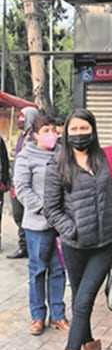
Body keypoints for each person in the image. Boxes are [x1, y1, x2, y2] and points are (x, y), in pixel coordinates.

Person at [43, 109, 112, 350]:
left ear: (93, 131)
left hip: (104, 244)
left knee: (83, 302)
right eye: (75, 128)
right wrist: (71, 229)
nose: (80, 133)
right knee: (81, 303)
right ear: (66, 132)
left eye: (85, 128)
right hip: (74, 245)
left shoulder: (107, 158)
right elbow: (51, 209)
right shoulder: (57, 164)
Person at [15, 114, 67, 336]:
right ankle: (37, 316)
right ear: (35, 134)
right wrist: (45, 209)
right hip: (38, 225)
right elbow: (22, 188)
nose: (51, 135)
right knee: (37, 270)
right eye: (45, 131)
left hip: (60, 224)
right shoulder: (26, 156)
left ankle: (58, 314)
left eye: (53, 130)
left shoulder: (62, 154)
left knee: (58, 269)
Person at [9, 106, 40, 259]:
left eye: (22, 117)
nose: (19, 120)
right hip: (17, 182)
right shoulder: (22, 135)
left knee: (27, 216)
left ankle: (28, 247)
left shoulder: (35, 138)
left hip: (30, 185)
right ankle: (24, 245)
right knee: (18, 215)